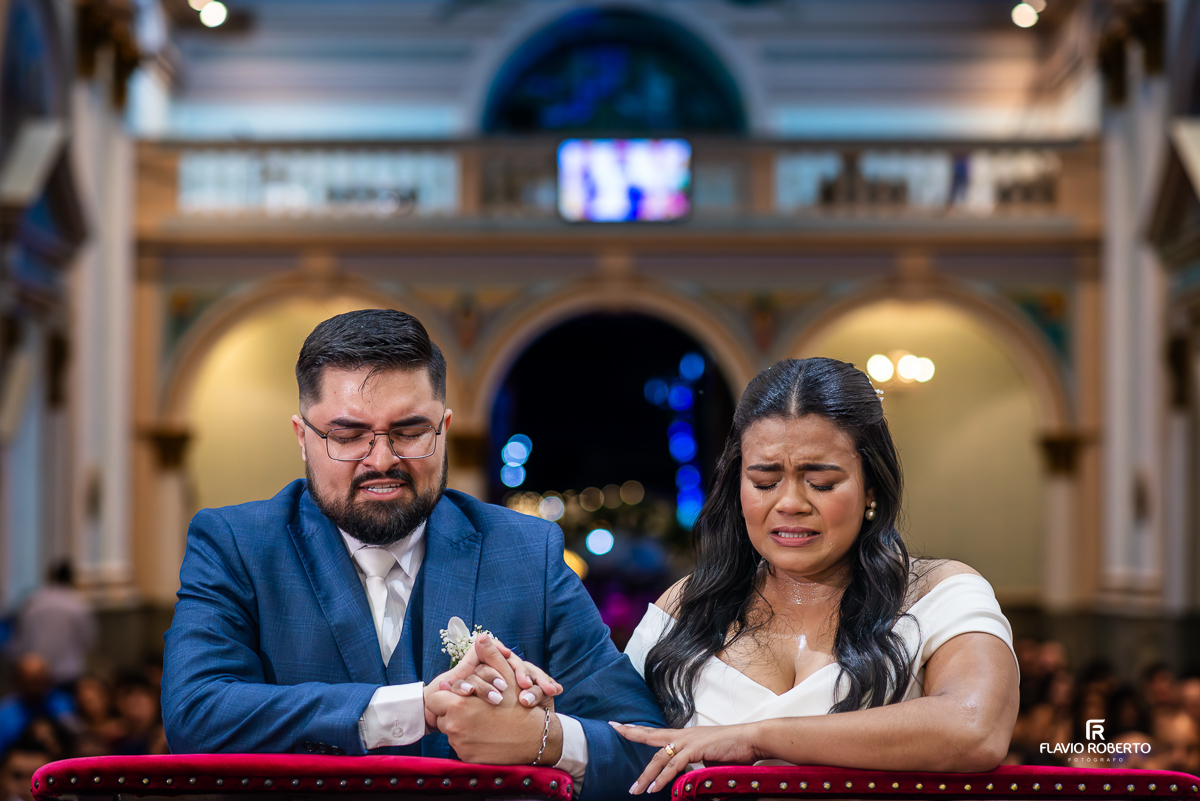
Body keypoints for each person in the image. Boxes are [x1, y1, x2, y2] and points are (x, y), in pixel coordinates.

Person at [161, 309, 666, 800]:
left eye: (410, 432)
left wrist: (543, 738)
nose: (382, 460)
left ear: (443, 428)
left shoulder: (527, 553)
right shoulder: (235, 544)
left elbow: (644, 749)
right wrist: (410, 708)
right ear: (302, 437)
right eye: (348, 435)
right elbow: (195, 714)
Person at [612, 357, 1020, 793]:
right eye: (765, 482)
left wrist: (756, 737)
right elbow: (614, 741)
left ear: (872, 489)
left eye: (821, 482)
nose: (790, 503)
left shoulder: (939, 594)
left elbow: (974, 729)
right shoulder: (689, 603)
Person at [7, 561, 95, 689]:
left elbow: (22, 638)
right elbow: (88, 640)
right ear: (72, 578)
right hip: (68, 671)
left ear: (50, 577)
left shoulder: (34, 601)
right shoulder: (77, 604)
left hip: (37, 674)